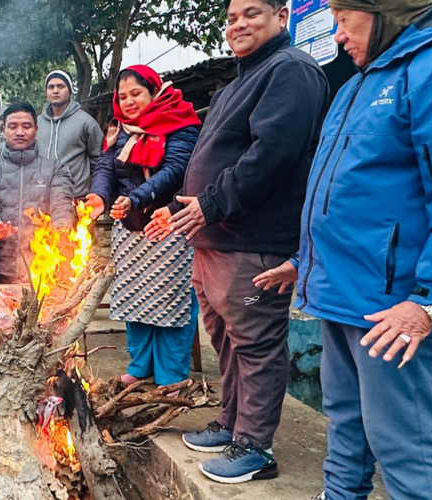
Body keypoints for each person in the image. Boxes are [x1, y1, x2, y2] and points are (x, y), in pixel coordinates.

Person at [253, 0, 432, 498]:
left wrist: (429, 302)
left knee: (404, 443)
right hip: (341, 290)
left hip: (396, 306)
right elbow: (348, 195)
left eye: (343, 18)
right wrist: (304, 261)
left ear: (387, 10)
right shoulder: (363, 80)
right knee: (345, 422)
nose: (336, 35)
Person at [145, 0, 329, 483]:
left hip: (253, 240)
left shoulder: (291, 70)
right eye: (231, 18)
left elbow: (270, 157)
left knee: (256, 343)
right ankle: (231, 422)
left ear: (281, 16)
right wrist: (183, 209)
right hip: (215, 239)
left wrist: (211, 204)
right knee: (225, 339)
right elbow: (211, 160)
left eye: (251, 13)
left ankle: (256, 446)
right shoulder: (237, 83)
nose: (238, 25)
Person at [86, 65, 201, 389]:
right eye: (123, 96)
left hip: (170, 224)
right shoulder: (119, 129)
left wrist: (135, 198)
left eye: (136, 93)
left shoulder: (180, 123)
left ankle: (171, 374)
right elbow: (106, 167)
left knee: (172, 302)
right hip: (131, 228)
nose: (129, 102)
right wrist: (99, 196)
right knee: (135, 300)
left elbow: (176, 169)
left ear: (154, 92)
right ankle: (140, 366)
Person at [0, 102, 75, 284]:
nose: (19, 132)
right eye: (13, 126)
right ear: (3, 130)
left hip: (43, 268)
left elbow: (63, 204)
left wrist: (61, 229)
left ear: (36, 130)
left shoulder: (55, 169)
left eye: (26, 126)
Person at [36, 70, 104, 198]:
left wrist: (86, 184)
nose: (55, 91)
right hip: (41, 199)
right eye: (51, 87)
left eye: (61, 86)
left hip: (75, 198)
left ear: (69, 91)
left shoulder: (86, 122)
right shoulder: (37, 123)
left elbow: (99, 160)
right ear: (46, 92)